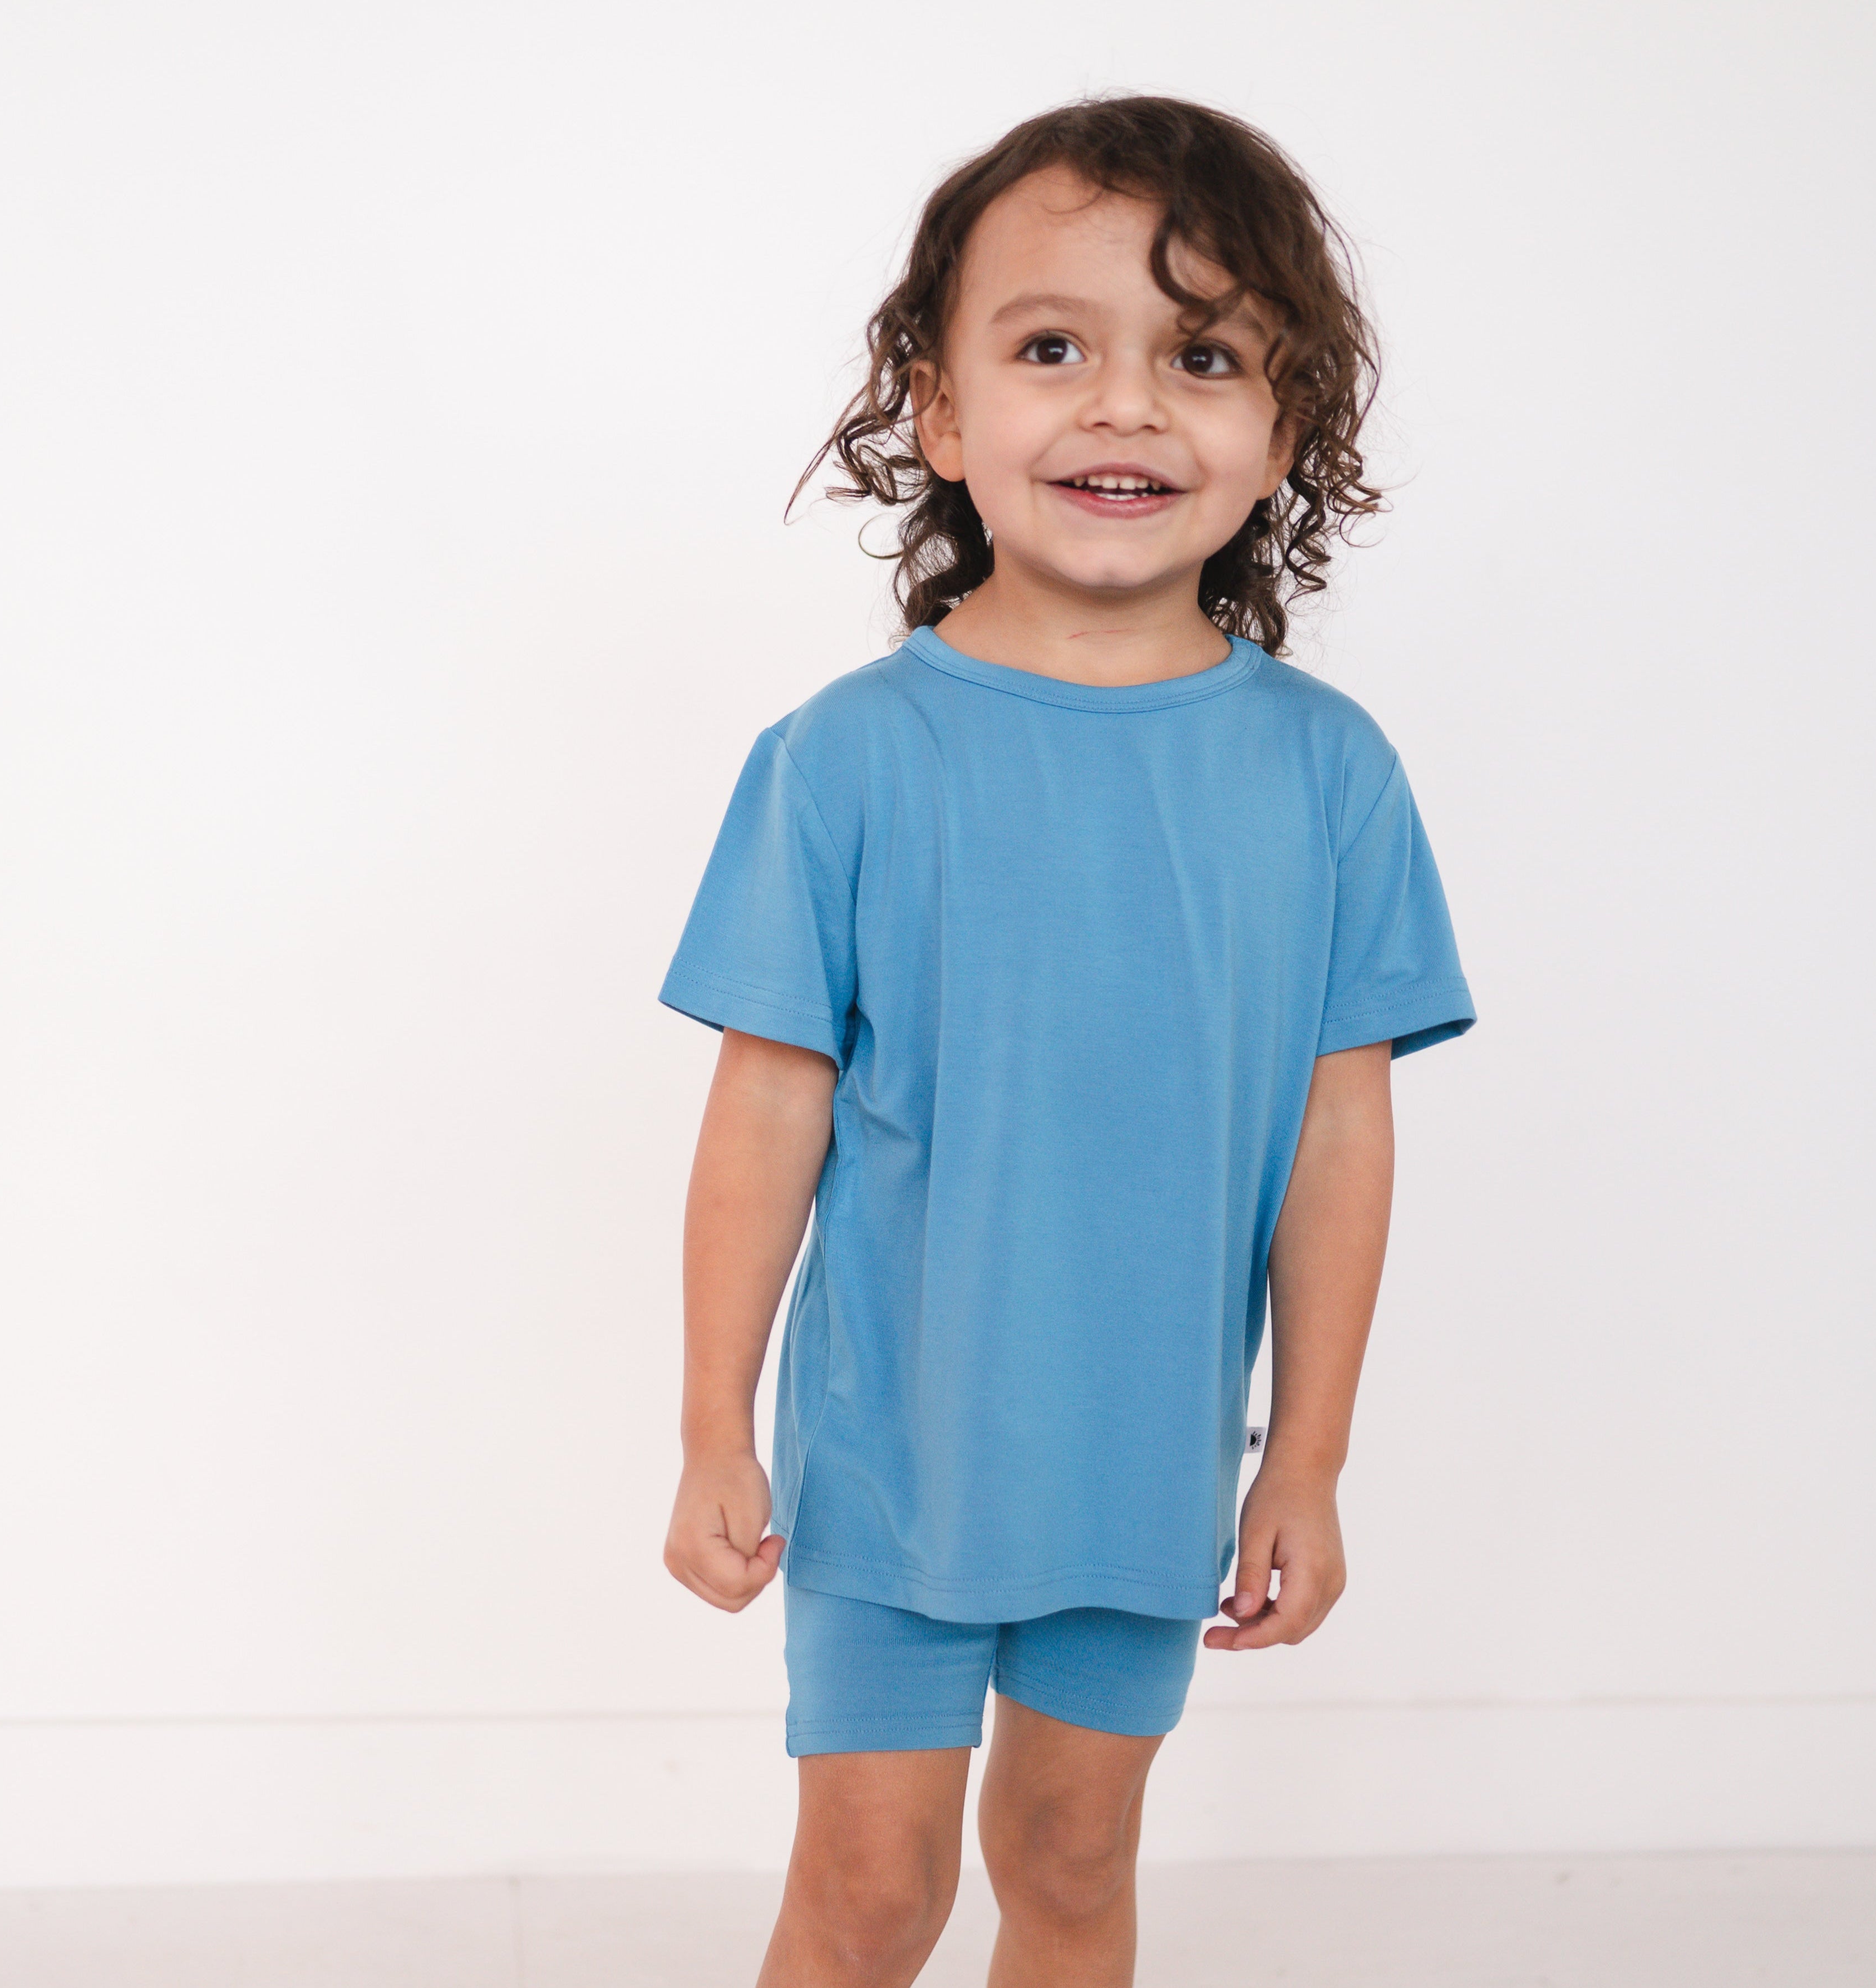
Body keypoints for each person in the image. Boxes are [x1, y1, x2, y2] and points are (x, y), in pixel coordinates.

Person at [657, 93, 1474, 1988]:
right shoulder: (847, 758)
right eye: (1050, 349)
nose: (1123, 406)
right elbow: (765, 1102)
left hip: (1142, 1459)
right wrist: (714, 1413)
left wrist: (1307, 1459)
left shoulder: (1325, 777)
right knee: (868, 1893)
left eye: (1198, 356)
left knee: (1073, 1858)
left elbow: (1335, 1141)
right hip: (886, 1455)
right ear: (941, 416)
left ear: (1283, 432)